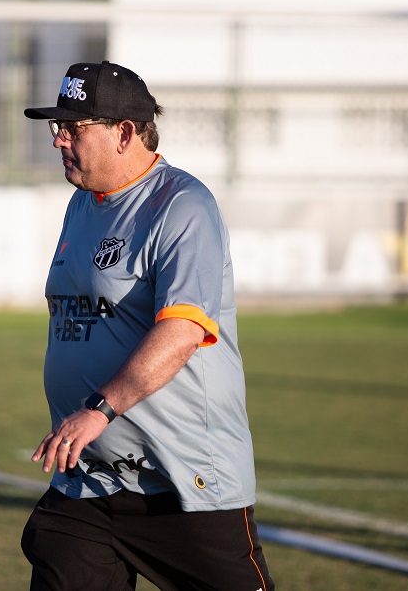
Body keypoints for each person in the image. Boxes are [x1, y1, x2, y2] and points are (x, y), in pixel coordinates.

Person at [21, 61, 275, 590]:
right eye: (57, 127)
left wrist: (98, 410)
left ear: (124, 133)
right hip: (88, 485)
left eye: (73, 128)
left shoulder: (182, 206)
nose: (59, 140)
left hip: (183, 487)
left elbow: (181, 332)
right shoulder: (81, 204)